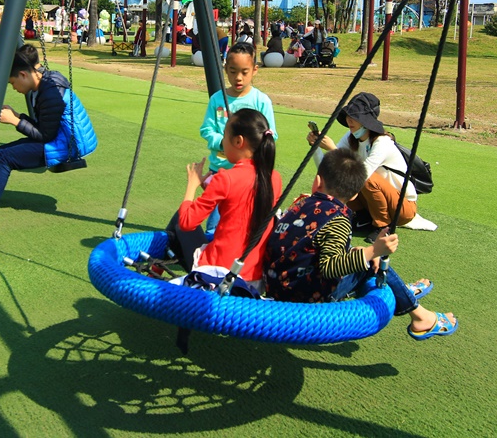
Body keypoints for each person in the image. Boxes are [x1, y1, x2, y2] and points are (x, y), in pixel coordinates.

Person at [263, 149, 457, 339]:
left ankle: (403, 291)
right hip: (302, 299)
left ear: (317, 181)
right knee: (374, 265)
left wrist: (361, 252)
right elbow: (331, 267)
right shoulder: (337, 220)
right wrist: (373, 250)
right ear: (355, 195)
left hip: (274, 285)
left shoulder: (301, 203)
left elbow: (307, 247)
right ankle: (421, 316)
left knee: (364, 256)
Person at [0, 44, 97, 234]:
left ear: (24, 75)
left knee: (2, 158)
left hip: (67, 145)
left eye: (12, 82)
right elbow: (44, 125)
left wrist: (15, 121)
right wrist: (18, 116)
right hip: (59, 137)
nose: (14, 88)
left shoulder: (50, 92)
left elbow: (45, 135)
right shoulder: (45, 81)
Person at [167, 108, 282, 289]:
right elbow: (243, 204)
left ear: (238, 141)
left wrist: (192, 184)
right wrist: (211, 189)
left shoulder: (226, 178)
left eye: (224, 135)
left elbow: (187, 222)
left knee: (179, 218)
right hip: (254, 277)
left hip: (218, 274)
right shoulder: (274, 177)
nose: (222, 142)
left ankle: (158, 270)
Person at [309, 92, 436, 239]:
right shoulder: (350, 136)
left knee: (362, 175)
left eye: (355, 116)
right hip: (372, 203)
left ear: (366, 121)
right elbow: (329, 169)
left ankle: (382, 226)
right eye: (349, 115)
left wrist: (333, 149)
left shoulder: (382, 142)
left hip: (402, 208)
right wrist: (316, 147)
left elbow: (364, 173)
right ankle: (364, 218)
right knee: (338, 177)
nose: (349, 120)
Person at [199, 42, 277, 234]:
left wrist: (248, 151)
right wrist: (222, 144)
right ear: (225, 69)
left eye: (244, 72)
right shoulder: (217, 99)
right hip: (219, 171)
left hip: (249, 174)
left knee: (246, 222)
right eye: (233, 71)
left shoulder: (261, 101)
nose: (238, 78)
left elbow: (270, 134)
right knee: (215, 225)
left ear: (255, 70)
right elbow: (206, 129)